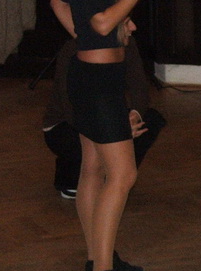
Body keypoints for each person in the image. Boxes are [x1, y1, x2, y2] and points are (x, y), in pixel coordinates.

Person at [50, 0, 159, 271]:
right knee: (122, 174)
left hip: (95, 77)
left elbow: (60, 2)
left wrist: (97, 34)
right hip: (96, 84)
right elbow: (98, 22)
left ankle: (100, 256)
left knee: (94, 170)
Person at [43, 36, 166, 200]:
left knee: (150, 120)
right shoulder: (75, 48)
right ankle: (72, 175)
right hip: (66, 124)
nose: (133, 27)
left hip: (104, 116)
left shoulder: (127, 42)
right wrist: (116, 131)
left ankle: (113, 176)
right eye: (126, 23)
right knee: (90, 144)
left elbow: (140, 88)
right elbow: (71, 107)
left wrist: (134, 116)